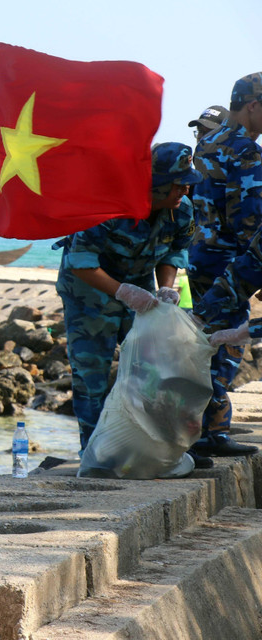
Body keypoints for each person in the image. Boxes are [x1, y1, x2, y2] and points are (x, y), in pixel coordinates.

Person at [54, 142, 202, 460]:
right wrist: (122, 292)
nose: (186, 189)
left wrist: (165, 288)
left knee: (153, 370)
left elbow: (175, 250)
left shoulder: (183, 209)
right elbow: (80, 263)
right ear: (156, 182)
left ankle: (157, 450)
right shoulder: (107, 207)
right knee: (91, 375)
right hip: (88, 294)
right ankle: (95, 455)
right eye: (179, 183)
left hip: (141, 290)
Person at [185, 72, 262, 457]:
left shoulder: (206, 143)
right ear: (252, 106)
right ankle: (204, 433)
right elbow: (249, 219)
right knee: (222, 347)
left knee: (205, 343)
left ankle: (210, 430)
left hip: (201, 256)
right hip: (231, 263)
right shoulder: (246, 151)